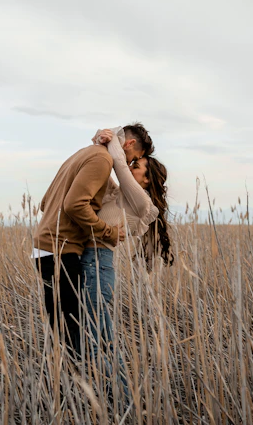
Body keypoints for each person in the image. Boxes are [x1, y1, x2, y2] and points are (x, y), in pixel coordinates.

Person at [32, 123, 154, 359]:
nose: (127, 166)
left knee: (63, 336)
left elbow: (45, 203)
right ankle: (82, 390)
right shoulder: (102, 160)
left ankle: (67, 389)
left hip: (43, 250)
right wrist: (107, 231)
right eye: (133, 159)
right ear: (128, 145)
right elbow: (74, 205)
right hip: (61, 251)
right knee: (74, 341)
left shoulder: (82, 154)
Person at [82, 128, 172, 380]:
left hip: (97, 265)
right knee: (99, 336)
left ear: (146, 180)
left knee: (97, 338)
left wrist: (115, 140)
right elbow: (105, 170)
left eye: (137, 166)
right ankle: (115, 395)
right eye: (133, 163)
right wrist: (99, 141)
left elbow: (118, 165)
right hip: (90, 262)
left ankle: (116, 395)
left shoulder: (142, 202)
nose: (130, 166)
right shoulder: (122, 196)